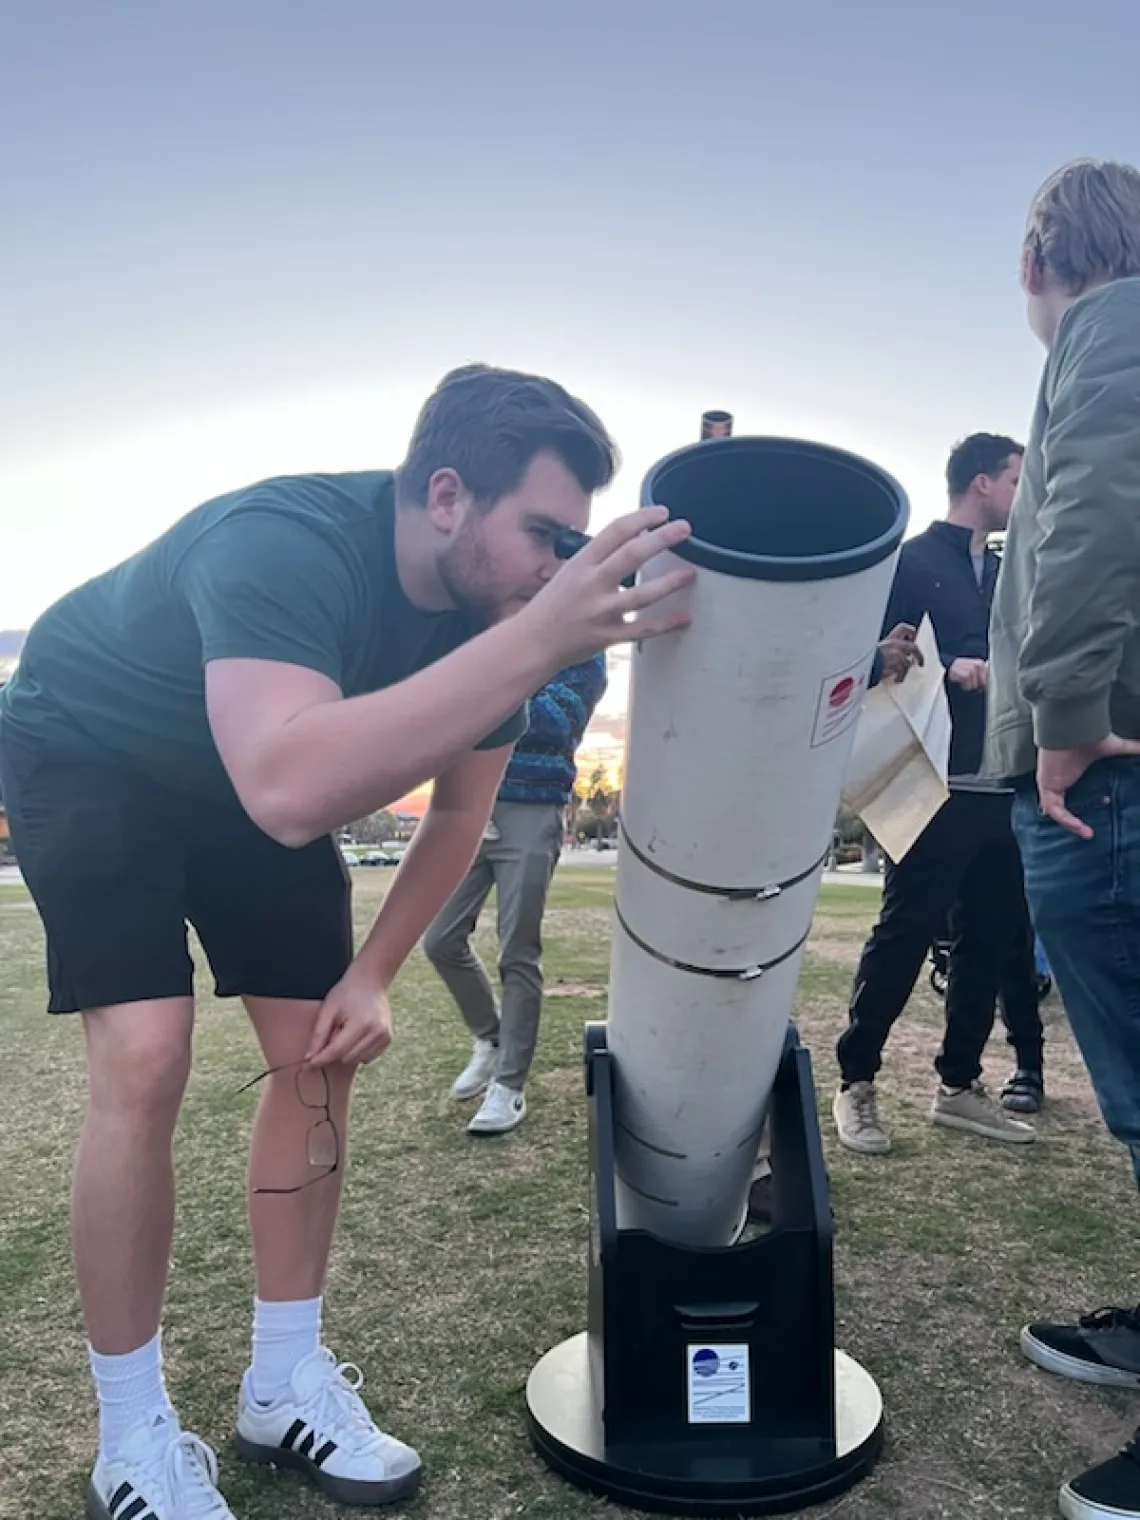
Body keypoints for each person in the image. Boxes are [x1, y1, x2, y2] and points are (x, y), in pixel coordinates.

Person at [0, 363, 695, 1520]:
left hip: (255, 778)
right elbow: (285, 786)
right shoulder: (286, 541)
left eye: (575, 540)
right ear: (444, 495)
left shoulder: (492, 631)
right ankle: (131, 1434)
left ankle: (281, 1384)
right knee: (147, 1056)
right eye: (544, 531)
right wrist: (539, 640)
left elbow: (460, 811)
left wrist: (372, 973)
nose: (558, 565)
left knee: (321, 1051)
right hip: (92, 744)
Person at [986, 157, 1140, 1520]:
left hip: (1107, 776)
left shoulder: (1111, 328)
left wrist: (1066, 713)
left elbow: (1093, 504)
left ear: (1040, 263)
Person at [833, 433, 1045, 1156]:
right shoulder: (910, 561)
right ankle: (854, 1084)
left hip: (1003, 790)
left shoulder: (1013, 570)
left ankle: (958, 1088)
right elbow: (855, 655)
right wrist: (948, 666)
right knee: (904, 934)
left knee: (987, 945)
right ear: (981, 483)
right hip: (929, 785)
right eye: (1018, 478)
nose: (1025, 490)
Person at [425, 655, 606, 1134]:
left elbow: (555, 719)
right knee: (439, 939)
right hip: (467, 804)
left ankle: (509, 1085)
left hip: (532, 809)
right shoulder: (493, 625)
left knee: (517, 951)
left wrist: (486, 682)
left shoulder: (581, 649)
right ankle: (490, 1039)